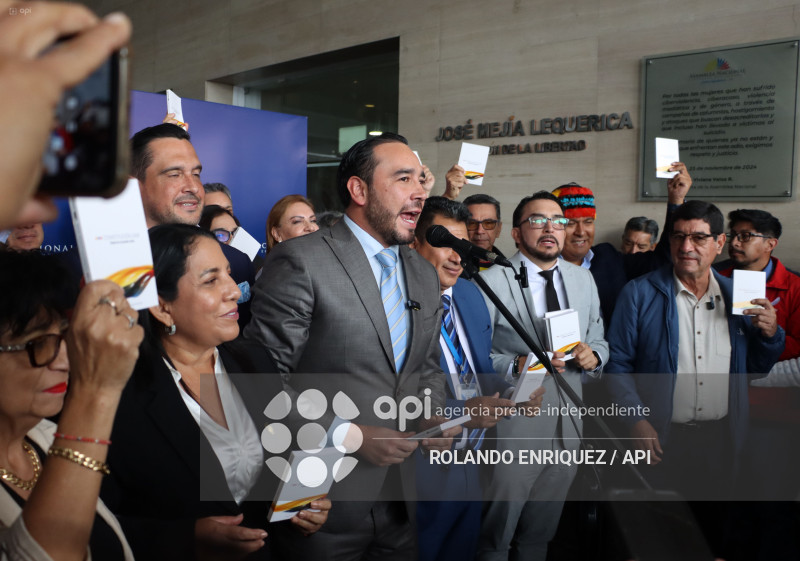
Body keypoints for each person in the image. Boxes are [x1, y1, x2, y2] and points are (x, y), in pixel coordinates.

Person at [245, 133, 455, 561]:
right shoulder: (302, 261)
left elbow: (427, 368)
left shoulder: (423, 273)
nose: (419, 193)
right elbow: (260, 381)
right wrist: (351, 437)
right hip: (317, 499)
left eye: (420, 179)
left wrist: (431, 415)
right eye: (402, 179)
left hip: (401, 501)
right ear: (358, 190)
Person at [101, 224, 330, 560]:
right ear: (162, 307)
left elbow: (278, 471)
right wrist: (185, 538)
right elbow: (94, 523)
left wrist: (304, 506)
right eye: (211, 280)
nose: (234, 291)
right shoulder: (120, 395)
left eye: (228, 273)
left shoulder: (253, 360)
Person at [604, 201, 784, 553]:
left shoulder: (739, 295)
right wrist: (635, 421)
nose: (687, 247)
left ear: (720, 243)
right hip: (659, 439)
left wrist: (770, 335)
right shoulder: (639, 293)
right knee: (657, 540)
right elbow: (617, 365)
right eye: (679, 237)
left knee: (712, 535)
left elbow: (756, 370)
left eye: (699, 238)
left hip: (721, 441)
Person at [410, 197, 545, 561]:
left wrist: (511, 392)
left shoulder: (470, 293)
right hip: (422, 463)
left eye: (461, 244)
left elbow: (478, 367)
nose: (457, 256)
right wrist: (464, 411)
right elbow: (396, 394)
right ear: (413, 245)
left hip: (475, 459)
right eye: (444, 244)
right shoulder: (395, 305)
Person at [476, 191, 607, 561]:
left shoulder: (582, 279)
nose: (550, 228)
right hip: (515, 424)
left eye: (558, 221)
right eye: (538, 220)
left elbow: (599, 337)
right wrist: (516, 364)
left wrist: (593, 355)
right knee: (495, 534)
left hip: (570, 423)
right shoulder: (489, 281)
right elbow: (473, 356)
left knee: (541, 534)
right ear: (516, 234)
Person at [0, 250, 142, 561]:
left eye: (64, 337)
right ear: (165, 309)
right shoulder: (83, 419)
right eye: (40, 344)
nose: (65, 361)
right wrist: (95, 392)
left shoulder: (47, 435)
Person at [716, 209, 800, 559]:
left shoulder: (794, 287)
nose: (734, 242)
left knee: (771, 502)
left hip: (772, 419)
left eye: (745, 236)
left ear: (770, 243)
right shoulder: (714, 275)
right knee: (724, 500)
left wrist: (771, 337)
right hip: (719, 411)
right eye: (733, 234)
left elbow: (796, 348)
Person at [130, 123, 255, 328]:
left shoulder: (237, 262)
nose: (193, 187)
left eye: (196, 174)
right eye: (174, 174)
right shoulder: (89, 268)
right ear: (134, 186)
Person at [551, 164, 691, 325]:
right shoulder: (540, 267)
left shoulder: (607, 257)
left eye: (588, 222)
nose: (581, 232)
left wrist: (676, 201)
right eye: (571, 223)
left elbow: (662, 259)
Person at [463, 193, 507, 271]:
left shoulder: (510, 269)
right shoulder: (451, 264)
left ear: (498, 229)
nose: (479, 231)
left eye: (488, 223)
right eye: (472, 223)